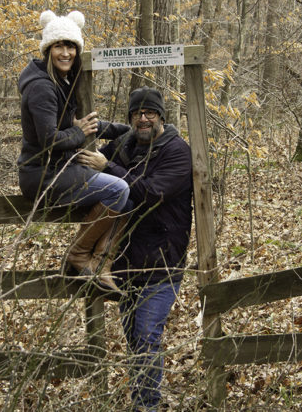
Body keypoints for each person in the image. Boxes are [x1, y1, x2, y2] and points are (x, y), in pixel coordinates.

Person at [76, 86, 193, 411]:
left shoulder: (177, 151)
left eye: (150, 113)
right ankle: (142, 400)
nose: (143, 118)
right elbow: (89, 160)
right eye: (137, 113)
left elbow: (151, 192)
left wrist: (107, 167)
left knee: (146, 336)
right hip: (125, 264)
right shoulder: (124, 146)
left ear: (161, 117)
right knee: (134, 340)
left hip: (162, 263)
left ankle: (147, 406)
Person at [17, 10, 131, 292]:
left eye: (70, 46)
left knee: (129, 197)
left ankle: (101, 263)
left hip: (58, 170)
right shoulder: (42, 87)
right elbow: (51, 140)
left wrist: (125, 129)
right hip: (42, 175)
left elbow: (82, 126)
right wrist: (78, 132)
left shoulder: (59, 82)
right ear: (48, 49)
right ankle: (79, 255)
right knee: (119, 190)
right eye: (58, 46)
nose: (65, 53)